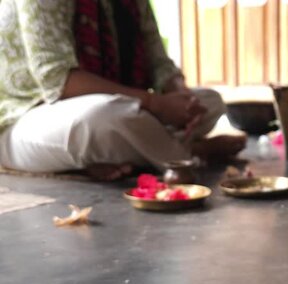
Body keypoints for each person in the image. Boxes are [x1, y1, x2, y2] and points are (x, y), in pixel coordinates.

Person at [0, 0, 246, 180]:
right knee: (104, 118)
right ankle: (191, 154)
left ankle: (118, 156)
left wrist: (183, 99)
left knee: (210, 100)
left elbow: (160, 63)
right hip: (25, 119)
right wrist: (156, 104)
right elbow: (58, 80)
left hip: (113, 109)